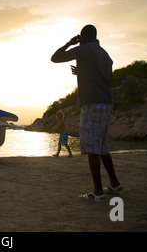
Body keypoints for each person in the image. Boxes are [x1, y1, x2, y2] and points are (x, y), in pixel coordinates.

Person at [51, 24, 122, 201]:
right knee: (103, 147)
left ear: (82, 37)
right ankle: (114, 183)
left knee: (92, 148)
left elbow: (55, 58)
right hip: (106, 103)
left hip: (92, 103)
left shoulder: (83, 50)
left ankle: (98, 192)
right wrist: (82, 72)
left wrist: (70, 42)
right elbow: (106, 80)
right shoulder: (105, 55)